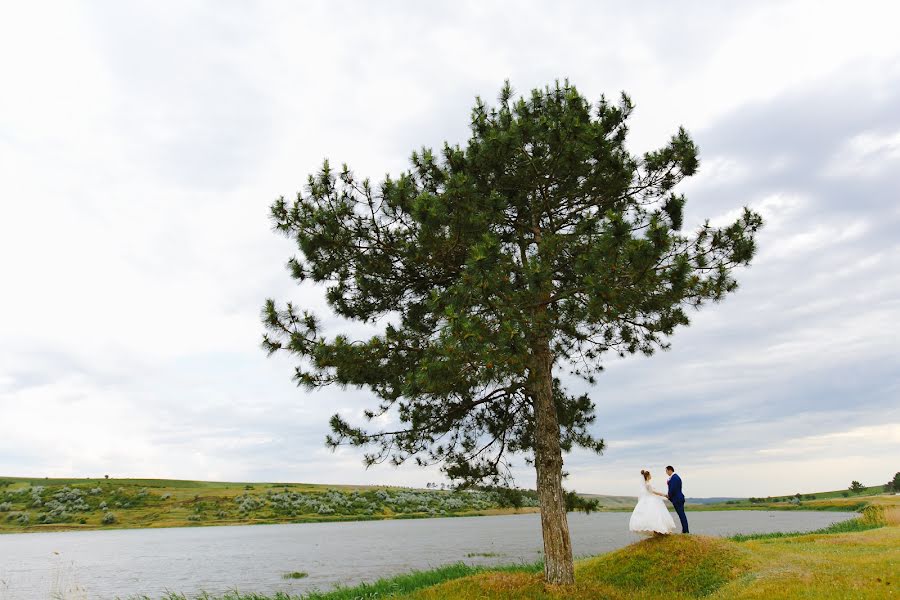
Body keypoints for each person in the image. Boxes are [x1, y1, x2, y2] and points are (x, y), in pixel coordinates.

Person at [629, 469, 677, 535]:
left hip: (651, 499)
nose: (651, 476)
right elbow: (654, 492)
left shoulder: (647, 483)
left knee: (655, 515)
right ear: (648, 476)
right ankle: (659, 530)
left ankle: (658, 531)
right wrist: (664, 495)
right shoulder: (648, 484)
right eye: (650, 475)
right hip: (652, 500)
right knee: (656, 514)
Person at [666, 465, 689, 534]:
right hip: (678, 498)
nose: (666, 473)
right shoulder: (674, 477)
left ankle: (686, 531)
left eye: (666, 471)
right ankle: (685, 530)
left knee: (681, 515)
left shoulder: (675, 478)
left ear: (670, 470)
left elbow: (673, 489)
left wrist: (669, 495)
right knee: (681, 515)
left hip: (677, 499)